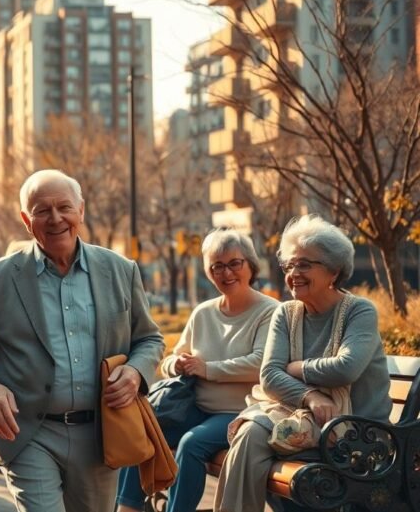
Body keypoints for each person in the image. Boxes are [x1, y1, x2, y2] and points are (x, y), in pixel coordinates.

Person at [0, 169, 165, 512]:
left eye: (64, 207)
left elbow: (149, 339)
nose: (56, 218)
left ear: (81, 210)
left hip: (102, 436)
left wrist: (136, 372)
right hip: (28, 432)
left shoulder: (120, 270)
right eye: (42, 210)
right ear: (25, 220)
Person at [215, 215, 392, 511]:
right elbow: (269, 375)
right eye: (290, 265)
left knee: (267, 454)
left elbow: (346, 368)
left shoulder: (359, 311)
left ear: (334, 271)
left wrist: (296, 368)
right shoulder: (287, 313)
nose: (294, 273)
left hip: (357, 433)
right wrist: (310, 395)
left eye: (305, 264)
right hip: (303, 421)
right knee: (248, 433)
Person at [116, 228, 279, 512]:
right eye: (217, 266)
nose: (226, 273)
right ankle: (127, 508)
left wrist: (208, 368)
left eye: (234, 263)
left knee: (191, 444)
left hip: (241, 413)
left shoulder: (271, 311)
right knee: (143, 429)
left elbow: (261, 363)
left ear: (250, 265)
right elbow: (172, 359)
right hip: (194, 407)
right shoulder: (203, 312)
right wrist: (176, 364)